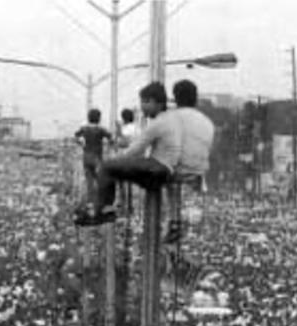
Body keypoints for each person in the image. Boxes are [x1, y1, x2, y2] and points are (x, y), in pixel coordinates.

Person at [74, 81, 179, 227]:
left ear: (156, 102)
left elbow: (136, 149)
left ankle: (103, 210)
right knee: (110, 170)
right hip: (165, 169)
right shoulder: (169, 119)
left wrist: (115, 161)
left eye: (144, 102)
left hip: (159, 168)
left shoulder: (157, 123)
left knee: (107, 168)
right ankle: (105, 208)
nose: (142, 107)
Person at [162, 79, 214, 243]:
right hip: (198, 171)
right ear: (195, 98)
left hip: (176, 169)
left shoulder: (169, 117)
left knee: (167, 181)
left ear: (175, 98)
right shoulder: (206, 121)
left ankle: (173, 220)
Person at [75, 108, 113, 203]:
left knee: (89, 181)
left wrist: (81, 144)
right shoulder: (101, 129)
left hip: (86, 157)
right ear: (99, 118)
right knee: (100, 180)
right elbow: (111, 138)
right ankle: (100, 201)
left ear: (89, 118)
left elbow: (76, 136)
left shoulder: (84, 129)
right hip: (97, 158)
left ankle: (90, 202)